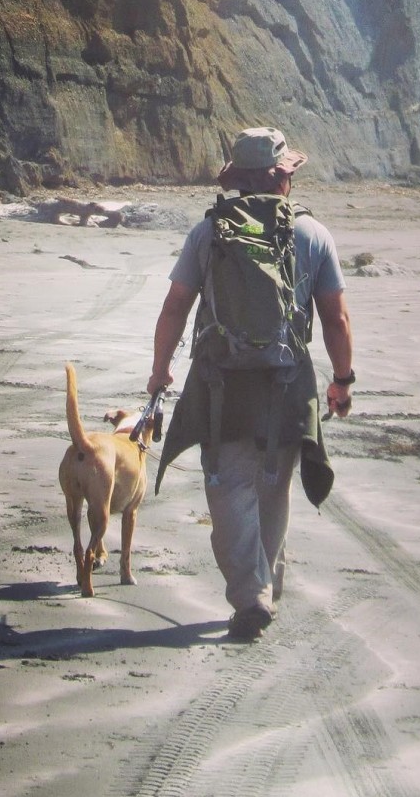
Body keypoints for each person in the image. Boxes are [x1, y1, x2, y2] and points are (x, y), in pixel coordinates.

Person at [146, 126, 354, 641]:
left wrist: (160, 368)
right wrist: (342, 381)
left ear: (235, 179)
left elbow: (176, 304)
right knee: (272, 488)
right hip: (287, 382)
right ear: (284, 177)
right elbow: (336, 319)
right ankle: (264, 591)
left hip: (222, 384)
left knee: (228, 492)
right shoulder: (313, 234)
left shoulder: (208, 231)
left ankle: (251, 596)